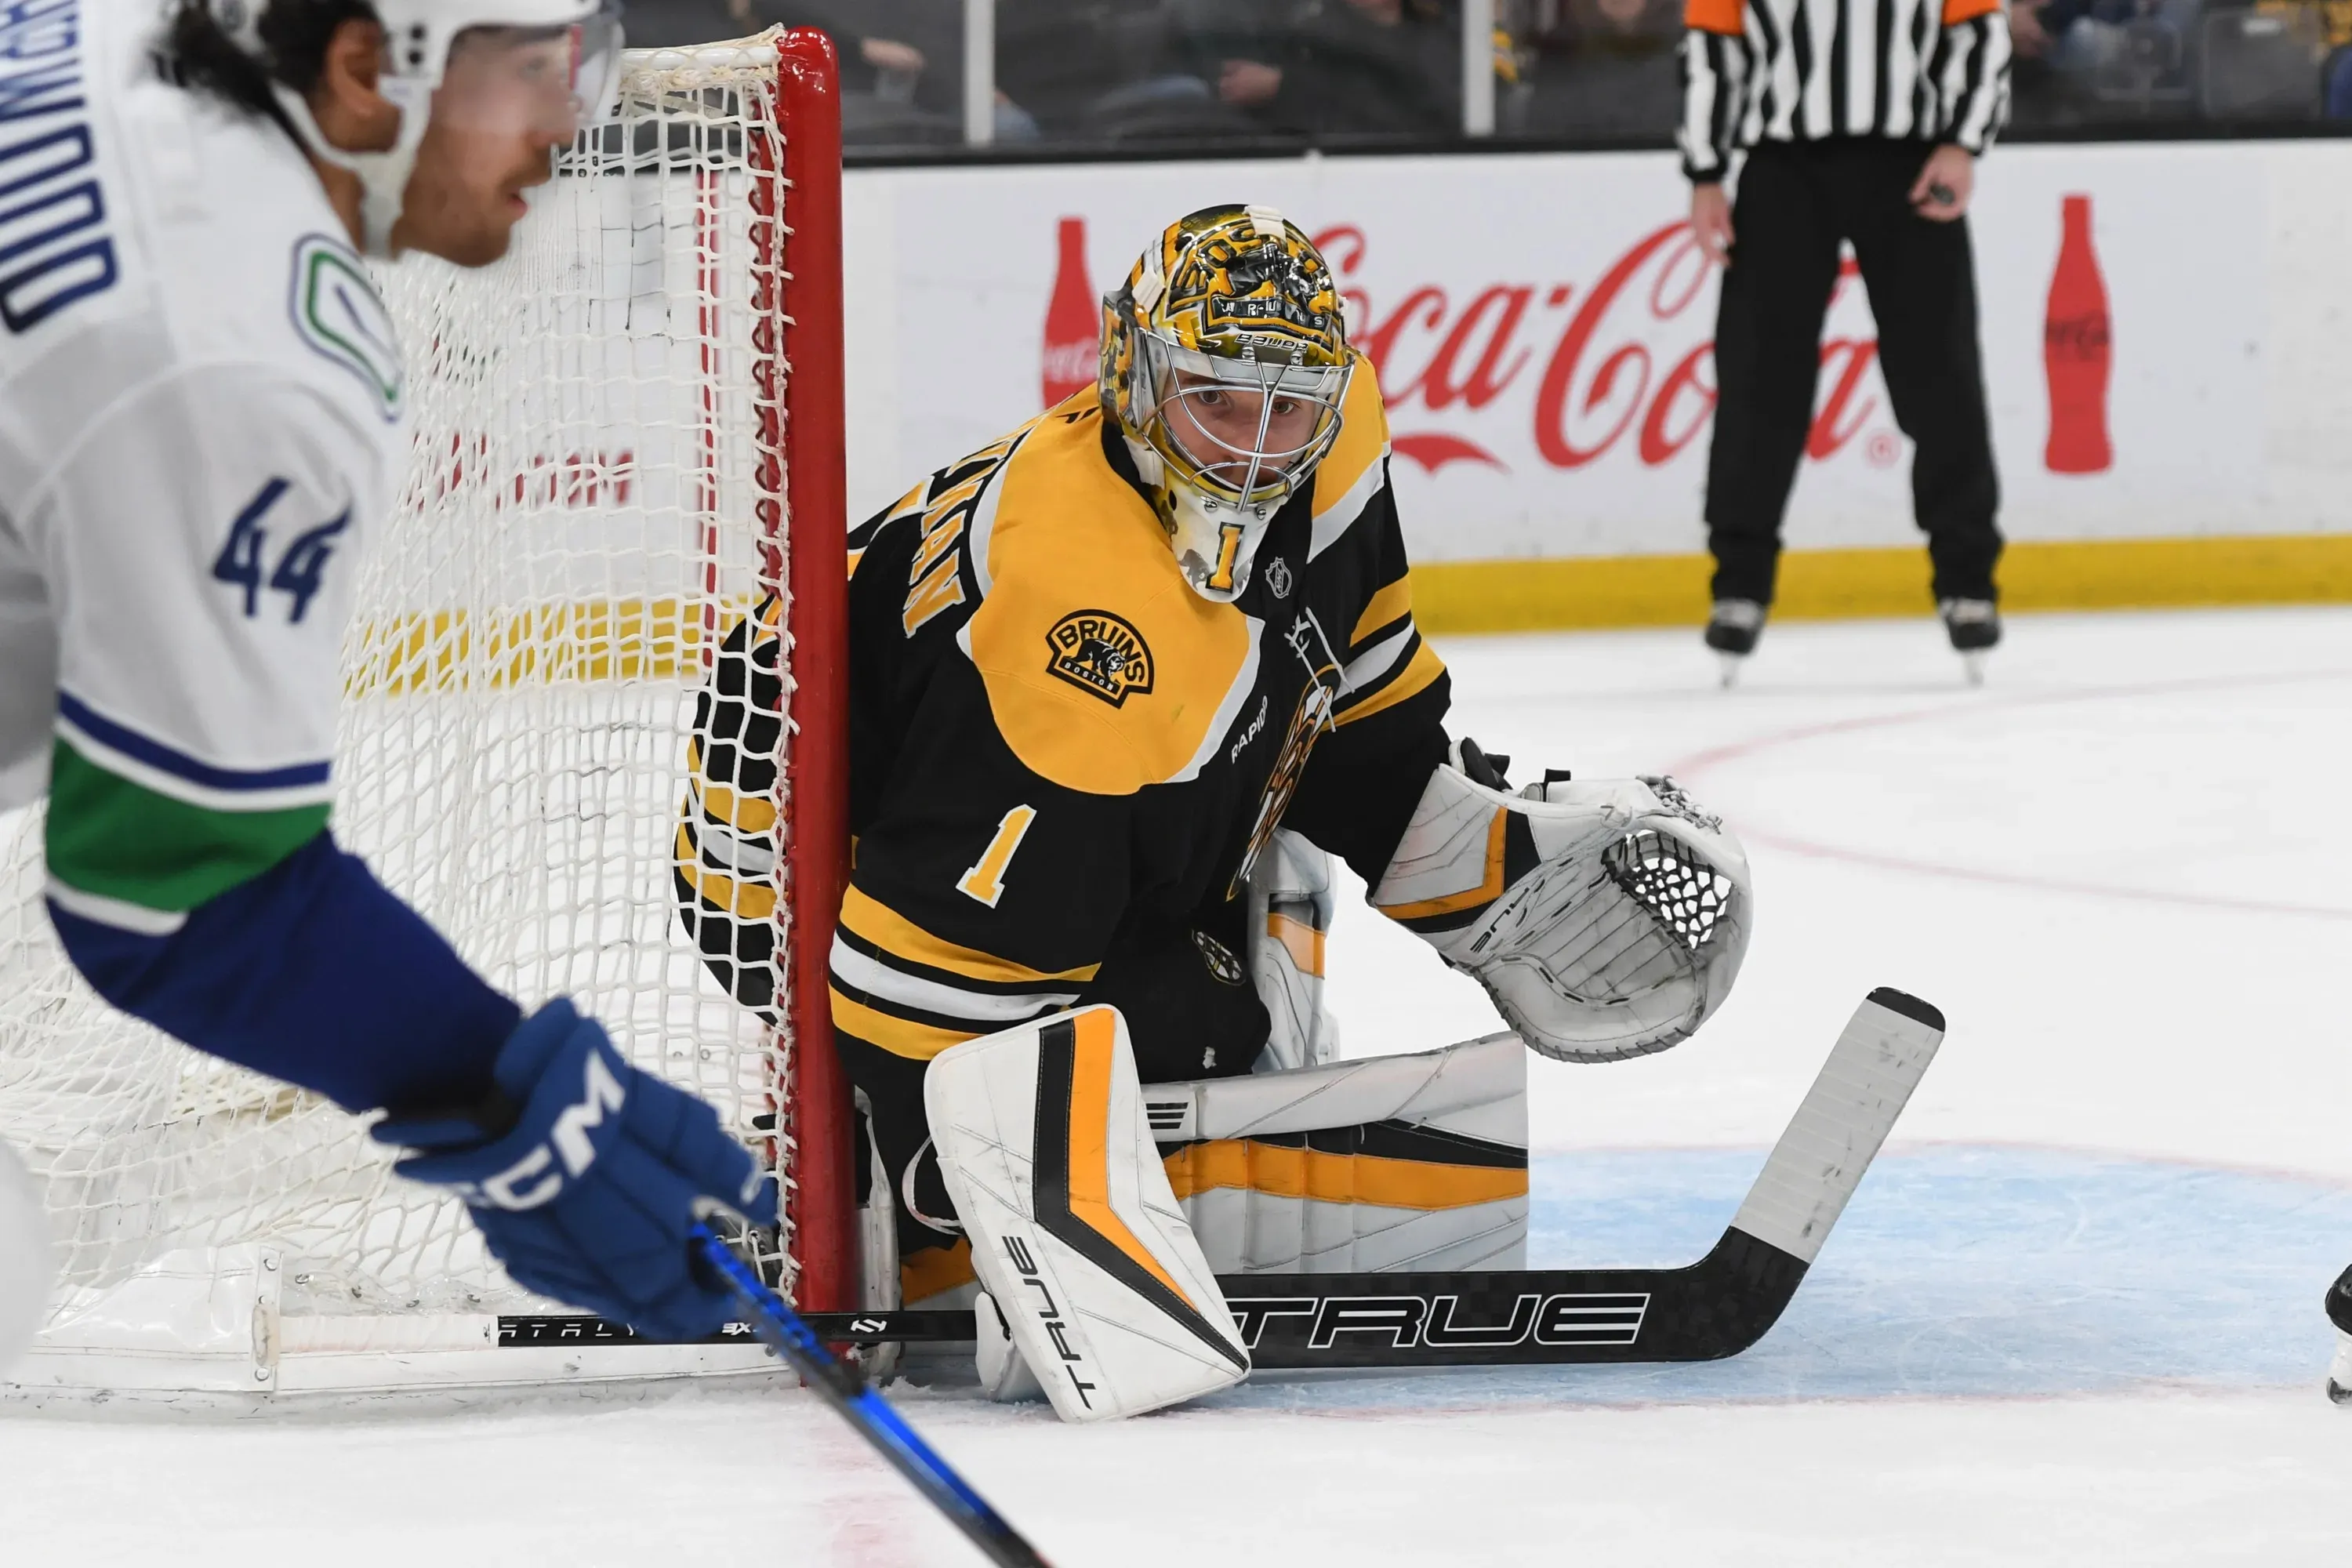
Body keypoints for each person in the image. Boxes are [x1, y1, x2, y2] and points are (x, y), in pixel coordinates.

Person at [676, 205, 1755, 1420]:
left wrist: (1460, 849)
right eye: (1216, 402)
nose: (1253, 449)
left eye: (1283, 406)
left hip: (994, 801)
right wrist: (981, 1194)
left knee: (1260, 891)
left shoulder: (1334, 436)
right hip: (787, 872)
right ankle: (892, 1180)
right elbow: (927, 967)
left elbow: (1344, 692)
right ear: (1135, 376)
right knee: (1214, 1027)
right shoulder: (1082, 627)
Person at [0, 0, 773, 1378]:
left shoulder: (104, 35)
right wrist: (502, 1090)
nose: (574, 120)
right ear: (369, 68)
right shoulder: (245, 347)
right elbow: (176, 888)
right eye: (542, 71)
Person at [1680, 0, 2012, 683]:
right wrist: (1706, 171)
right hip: (1781, 166)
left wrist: (1962, 141)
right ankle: (1739, 582)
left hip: (1912, 158)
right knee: (1759, 378)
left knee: (1938, 373)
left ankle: (1967, 576)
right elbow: (1715, 42)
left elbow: (1978, 30)